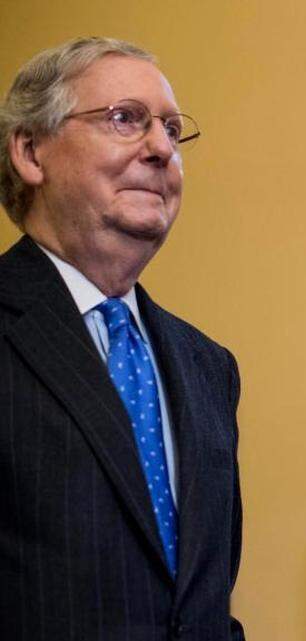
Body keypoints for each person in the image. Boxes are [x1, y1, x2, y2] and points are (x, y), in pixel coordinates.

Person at [0, 38, 243, 639]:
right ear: (31, 152)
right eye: (125, 119)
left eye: (169, 128)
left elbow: (204, 600)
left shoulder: (208, 366)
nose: (161, 147)